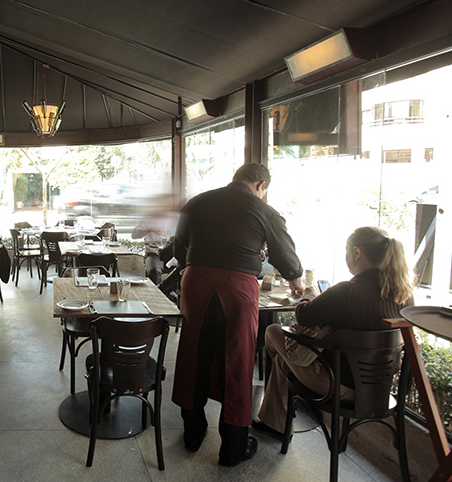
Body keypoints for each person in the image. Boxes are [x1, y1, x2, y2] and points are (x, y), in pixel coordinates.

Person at [172, 163, 304, 467]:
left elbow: (180, 250)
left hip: (196, 282)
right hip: (238, 288)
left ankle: (193, 434)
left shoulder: (198, 201)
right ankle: (232, 449)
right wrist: (296, 281)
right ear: (260, 185)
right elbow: (285, 255)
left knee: (194, 356)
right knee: (237, 360)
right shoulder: (264, 210)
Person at [254, 226, 414, 439]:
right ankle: (274, 423)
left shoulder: (348, 291)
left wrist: (309, 295)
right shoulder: (405, 295)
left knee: (274, 331)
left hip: (338, 386)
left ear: (357, 252)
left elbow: (304, 315)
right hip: (381, 391)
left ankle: (277, 424)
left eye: (347, 252)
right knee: (285, 361)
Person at [131, 196, 177, 284]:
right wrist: (148, 230)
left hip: (174, 253)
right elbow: (134, 235)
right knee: (154, 270)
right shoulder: (149, 218)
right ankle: (157, 293)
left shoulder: (175, 218)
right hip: (154, 254)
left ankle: (172, 295)